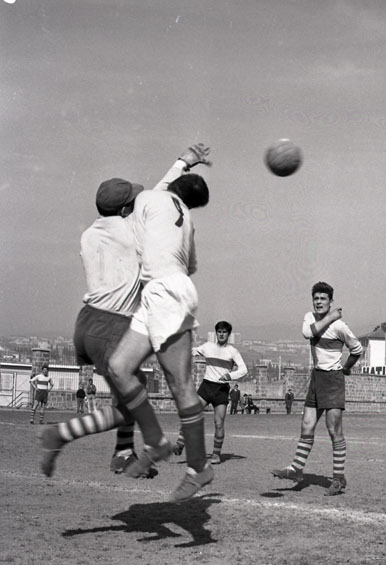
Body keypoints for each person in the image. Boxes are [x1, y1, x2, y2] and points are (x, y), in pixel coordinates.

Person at [39, 144, 211, 484]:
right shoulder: (133, 231)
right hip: (113, 323)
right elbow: (161, 196)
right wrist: (183, 163)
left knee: (132, 390)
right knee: (135, 397)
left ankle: (123, 451)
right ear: (124, 210)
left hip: (87, 322)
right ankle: (64, 435)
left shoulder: (90, 235)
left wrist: (182, 163)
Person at [105, 145, 215, 503]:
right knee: (119, 367)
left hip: (165, 291)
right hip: (161, 291)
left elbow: (161, 186)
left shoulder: (153, 199)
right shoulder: (186, 220)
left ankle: (198, 467)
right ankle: (155, 442)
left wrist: (183, 161)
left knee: (180, 384)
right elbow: (192, 266)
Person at [272, 281, 363, 496]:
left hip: (333, 380)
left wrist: (346, 368)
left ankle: (338, 479)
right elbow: (307, 332)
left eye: (323, 299)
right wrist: (330, 317)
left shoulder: (340, 327)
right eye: (316, 298)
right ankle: (296, 469)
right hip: (316, 378)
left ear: (331, 301)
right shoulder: (310, 318)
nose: (319, 302)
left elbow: (357, 349)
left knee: (334, 429)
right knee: (307, 424)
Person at [174, 321, 247, 463]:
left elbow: (244, 369)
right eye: (219, 332)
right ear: (216, 333)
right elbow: (192, 351)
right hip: (206, 386)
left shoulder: (233, 351)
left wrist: (229, 376)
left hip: (221, 389)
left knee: (219, 422)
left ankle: (216, 454)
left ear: (228, 334)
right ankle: (180, 443)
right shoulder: (208, 346)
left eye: (224, 332)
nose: (221, 334)